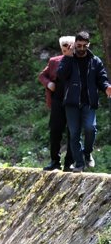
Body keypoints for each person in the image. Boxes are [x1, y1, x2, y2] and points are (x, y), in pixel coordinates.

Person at [56, 30, 111, 172]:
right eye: (79, 46)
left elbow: (102, 78)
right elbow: (61, 76)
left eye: (84, 46)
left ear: (88, 45)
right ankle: (79, 164)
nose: (81, 49)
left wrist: (106, 87)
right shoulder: (68, 59)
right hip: (71, 103)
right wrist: (67, 57)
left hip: (89, 102)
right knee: (74, 134)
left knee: (90, 128)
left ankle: (87, 153)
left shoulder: (95, 61)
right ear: (75, 44)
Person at [38, 36, 75, 171]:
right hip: (58, 101)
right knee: (55, 131)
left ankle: (69, 164)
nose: (66, 51)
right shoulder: (54, 61)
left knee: (73, 132)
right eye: (63, 49)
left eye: (69, 47)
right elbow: (42, 75)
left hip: (74, 102)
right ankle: (55, 161)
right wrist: (49, 83)